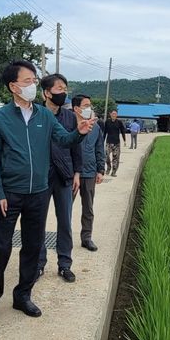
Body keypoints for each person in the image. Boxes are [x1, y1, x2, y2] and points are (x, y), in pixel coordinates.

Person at [0, 60, 95, 320]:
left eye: (34, 80)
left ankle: (23, 295)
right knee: (1, 247)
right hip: (10, 194)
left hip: (38, 193)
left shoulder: (44, 115)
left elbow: (63, 139)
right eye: (28, 81)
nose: (33, 85)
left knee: (33, 247)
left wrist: (78, 132)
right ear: (13, 86)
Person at [37, 74, 82, 282]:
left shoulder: (70, 117)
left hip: (64, 176)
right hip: (41, 178)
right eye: (59, 88)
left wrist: (77, 172)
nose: (63, 92)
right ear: (47, 93)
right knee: (38, 222)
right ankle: (38, 264)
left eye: (65, 88)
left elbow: (76, 146)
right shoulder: (36, 114)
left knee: (65, 221)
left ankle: (65, 264)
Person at [72, 94, 105, 252]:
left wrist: (100, 169)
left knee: (88, 209)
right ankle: (63, 238)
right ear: (76, 108)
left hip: (90, 172)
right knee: (65, 209)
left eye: (89, 105)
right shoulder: (68, 123)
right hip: (71, 174)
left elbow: (99, 148)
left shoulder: (96, 127)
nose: (89, 108)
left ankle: (86, 238)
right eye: (85, 106)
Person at [103, 110, 126, 176]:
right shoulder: (107, 122)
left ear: (116, 115)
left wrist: (124, 140)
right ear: (110, 114)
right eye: (112, 114)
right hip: (108, 142)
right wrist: (102, 140)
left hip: (116, 143)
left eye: (115, 114)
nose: (114, 115)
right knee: (106, 156)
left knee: (116, 158)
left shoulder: (119, 122)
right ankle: (108, 167)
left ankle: (114, 171)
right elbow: (105, 132)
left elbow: (122, 131)